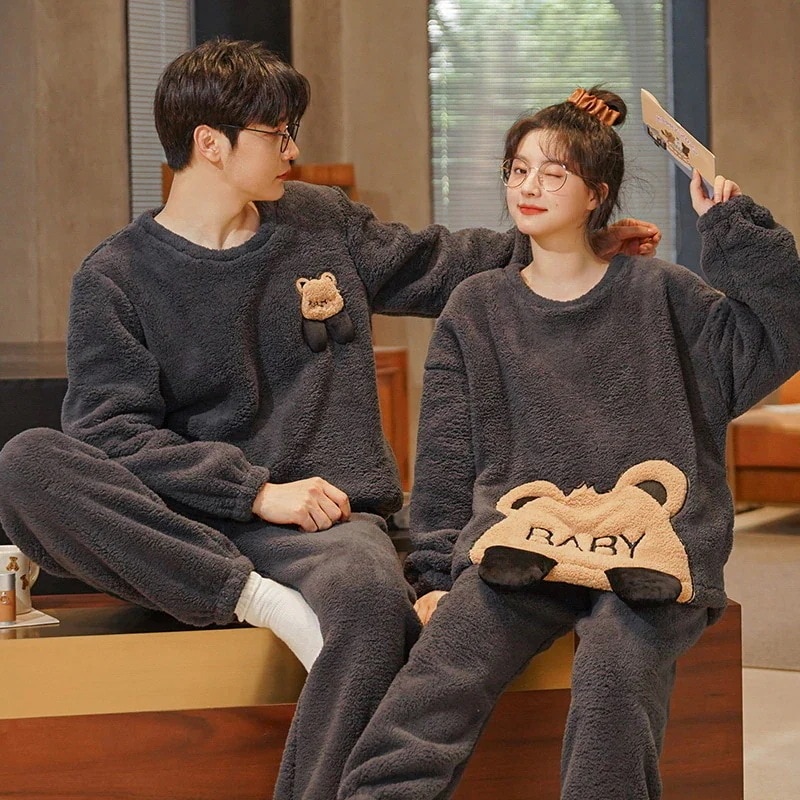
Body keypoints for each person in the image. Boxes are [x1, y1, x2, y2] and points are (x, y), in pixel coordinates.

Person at [0, 41, 659, 800]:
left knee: (372, 607)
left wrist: (574, 244)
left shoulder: (319, 222)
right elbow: (110, 433)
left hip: (328, 522)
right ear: (211, 143)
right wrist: (253, 492)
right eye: (277, 133)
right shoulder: (115, 275)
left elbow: (439, 262)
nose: (294, 150)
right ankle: (254, 599)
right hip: (180, 522)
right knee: (27, 462)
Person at [336, 87, 800, 800]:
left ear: (596, 194)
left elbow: (780, 329)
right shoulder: (476, 307)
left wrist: (731, 226)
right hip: (517, 548)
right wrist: (433, 580)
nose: (529, 187)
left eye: (553, 174)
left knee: (614, 674)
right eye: (518, 170)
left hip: (646, 556)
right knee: (425, 694)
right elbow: (447, 463)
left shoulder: (664, 295)